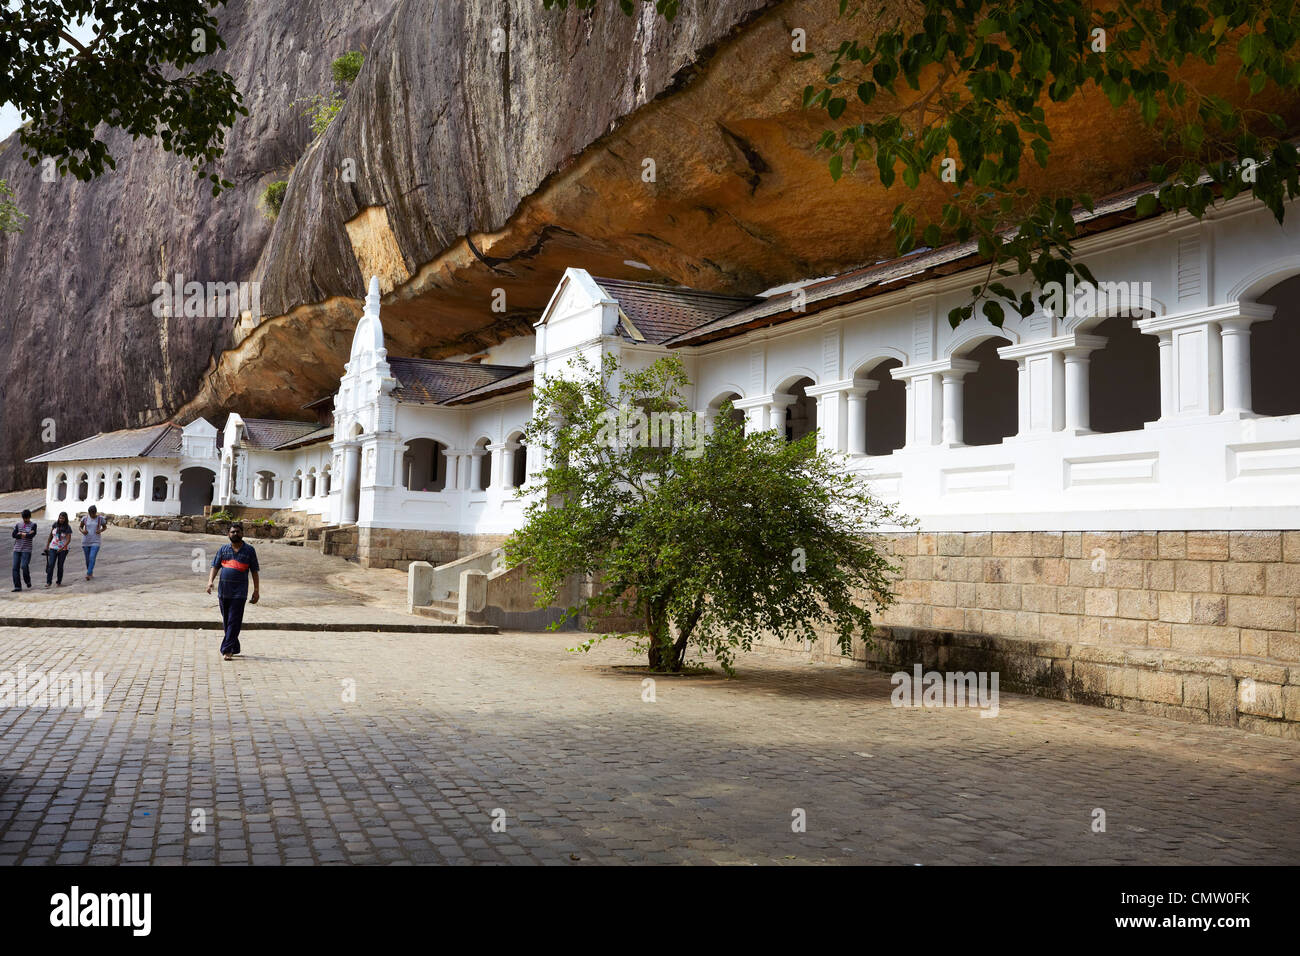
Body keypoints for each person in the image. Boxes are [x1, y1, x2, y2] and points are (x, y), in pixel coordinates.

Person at [206, 522, 260, 661]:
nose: (235, 534)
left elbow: (254, 571)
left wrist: (256, 590)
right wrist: (210, 581)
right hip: (224, 591)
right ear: (228, 534)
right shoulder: (223, 549)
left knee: (234, 620)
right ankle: (234, 646)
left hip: (240, 593)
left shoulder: (249, 550)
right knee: (227, 620)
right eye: (232, 532)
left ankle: (227, 649)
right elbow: (215, 566)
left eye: (238, 531)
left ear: (242, 533)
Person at [42, 512, 73, 588]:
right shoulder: (55, 524)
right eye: (60, 518)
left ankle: (59, 581)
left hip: (63, 549)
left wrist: (62, 548)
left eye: (62, 518)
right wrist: (47, 545)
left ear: (65, 519)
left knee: (60, 565)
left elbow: (68, 540)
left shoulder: (67, 527)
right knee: (51, 564)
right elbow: (50, 535)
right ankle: (48, 582)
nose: (61, 519)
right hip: (53, 547)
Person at [11, 509, 37, 591]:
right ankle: (17, 586)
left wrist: (21, 534)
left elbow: (32, 535)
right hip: (17, 549)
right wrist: (25, 534)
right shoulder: (18, 524)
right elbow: (14, 535)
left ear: (29, 517)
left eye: (27, 518)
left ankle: (27, 580)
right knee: (15, 568)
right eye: (24, 518)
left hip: (27, 549)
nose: (25, 520)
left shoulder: (33, 525)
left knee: (24, 566)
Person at [79, 505, 107, 580]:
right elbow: (80, 527)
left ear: (95, 512)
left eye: (93, 513)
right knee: (87, 559)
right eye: (90, 513)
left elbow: (104, 527)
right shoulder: (85, 518)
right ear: (89, 512)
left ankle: (88, 573)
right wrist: (83, 531)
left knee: (92, 557)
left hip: (96, 541)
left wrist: (100, 530)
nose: (92, 515)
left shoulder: (100, 519)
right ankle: (90, 572)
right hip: (85, 541)